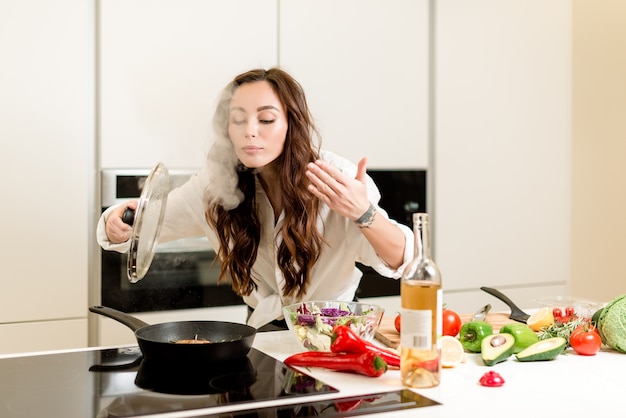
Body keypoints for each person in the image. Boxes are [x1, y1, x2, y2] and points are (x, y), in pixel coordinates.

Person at [97, 67, 414, 330]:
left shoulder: (337, 177)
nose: (250, 131)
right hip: (262, 332)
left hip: (332, 334)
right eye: (238, 119)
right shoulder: (216, 183)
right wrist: (118, 224)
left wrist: (363, 212)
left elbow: (402, 260)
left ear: (292, 123)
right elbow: (150, 223)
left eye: (265, 120)